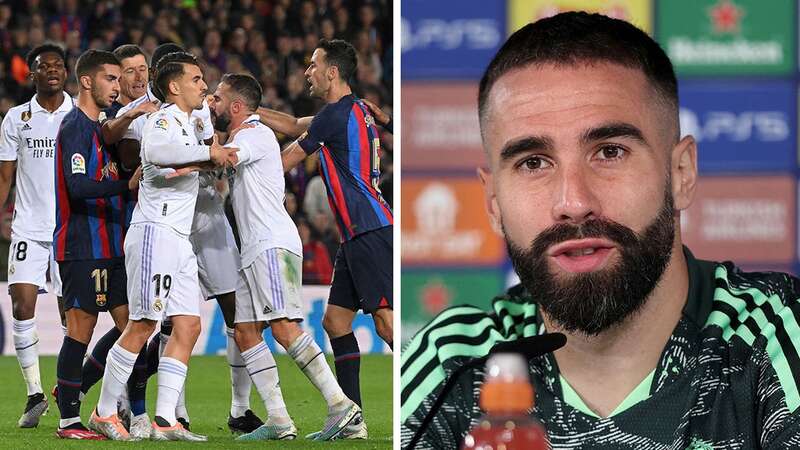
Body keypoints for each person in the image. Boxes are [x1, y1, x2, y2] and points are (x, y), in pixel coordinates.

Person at [400, 12, 800, 449]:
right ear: (493, 203)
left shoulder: (778, 337)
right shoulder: (453, 363)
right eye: (533, 162)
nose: (573, 203)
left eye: (609, 152)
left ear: (681, 173)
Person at [106, 42, 262, 434]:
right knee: (142, 324)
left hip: (179, 240)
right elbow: (157, 153)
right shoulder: (162, 120)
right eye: (196, 79)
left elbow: (200, 148)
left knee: (189, 325)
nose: (203, 85)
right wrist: (209, 155)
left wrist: (209, 148)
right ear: (174, 87)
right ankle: (106, 410)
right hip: (155, 234)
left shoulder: (189, 122)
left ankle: (165, 419)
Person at [203, 73, 361, 441]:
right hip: (254, 248)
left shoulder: (254, 135)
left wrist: (200, 130)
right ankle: (278, 419)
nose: (214, 103)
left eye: (219, 98)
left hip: (271, 243)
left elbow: (224, 160)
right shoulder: (247, 134)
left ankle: (342, 406)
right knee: (244, 332)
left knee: (285, 328)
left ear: (237, 107)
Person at [276, 38, 393, 440]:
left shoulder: (333, 115)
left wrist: (235, 164)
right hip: (358, 233)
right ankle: (352, 420)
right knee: (335, 321)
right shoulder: (356, 109)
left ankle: (432, 400)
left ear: (331, 72)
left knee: (387, 324)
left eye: (313, 65)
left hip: (367, 229)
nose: (307, 71)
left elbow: (286, 158)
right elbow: (293, 124)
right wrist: (251, 112)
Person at [52, 49, 140, 440]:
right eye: (110, 78)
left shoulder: (107, 130)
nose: (117, 86)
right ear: (87, 81)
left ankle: (118, 406)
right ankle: (69, 419)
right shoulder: (75, 127)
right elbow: (78, 186)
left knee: (132, 327)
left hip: (114, 244)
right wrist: (126, 184)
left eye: (119, 80)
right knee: (80, 329)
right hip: (82, 244)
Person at [0, 43, 72, 429]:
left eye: (59, 65)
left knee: (70, 314)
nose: (53, 71)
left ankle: (67, 388)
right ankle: (33, 393)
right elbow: (5, 177)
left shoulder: (79, 114)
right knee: (22, 303)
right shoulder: (16, 118)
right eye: (45, 66)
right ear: (32, 75)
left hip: (68, 229)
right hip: (29, 226)